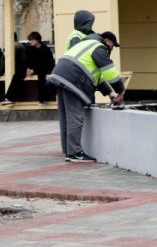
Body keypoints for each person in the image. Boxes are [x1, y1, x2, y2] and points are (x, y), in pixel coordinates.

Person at [48, 31, 125, 162]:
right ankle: (75, 153)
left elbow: (97, 77)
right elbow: (108, 71)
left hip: (60, 75)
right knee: (75, 117)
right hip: (72, 79)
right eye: (112, 44)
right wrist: (120, 91)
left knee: (66, 117)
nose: (112, 48)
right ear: (107, 41)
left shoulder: (87, 44)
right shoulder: (99, 47)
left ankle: (68, 150)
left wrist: (110, 93)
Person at [25, 31, 55, 103]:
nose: (30, 42)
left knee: (41, 76)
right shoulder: (29, 49)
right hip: (35, 68)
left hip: (46, 68)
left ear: (38, 40)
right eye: (30, 40)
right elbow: (28, 61)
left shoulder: (45, 49)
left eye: (32, 40)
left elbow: (45, 63)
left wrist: (34, 70)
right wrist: (28, 68)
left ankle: (41, 98)